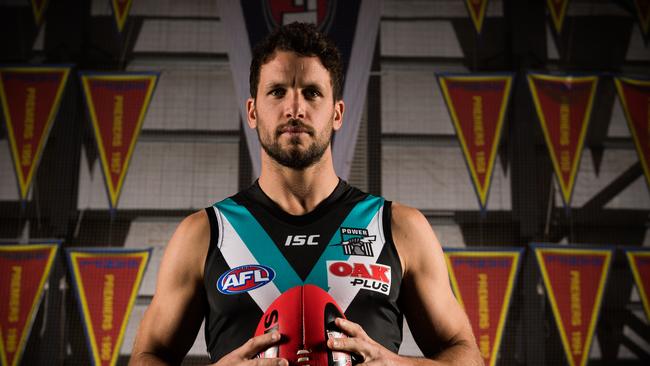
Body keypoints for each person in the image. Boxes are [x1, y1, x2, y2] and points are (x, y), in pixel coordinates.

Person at [130, 22, 482, 366]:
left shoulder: (399, 229)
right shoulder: (205, 234)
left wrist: (395, 364)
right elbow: (146, 357)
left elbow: (468, 356)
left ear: (337, 113)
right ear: (252, 111)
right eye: (277, 91)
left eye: (312, 92)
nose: (294, 109)